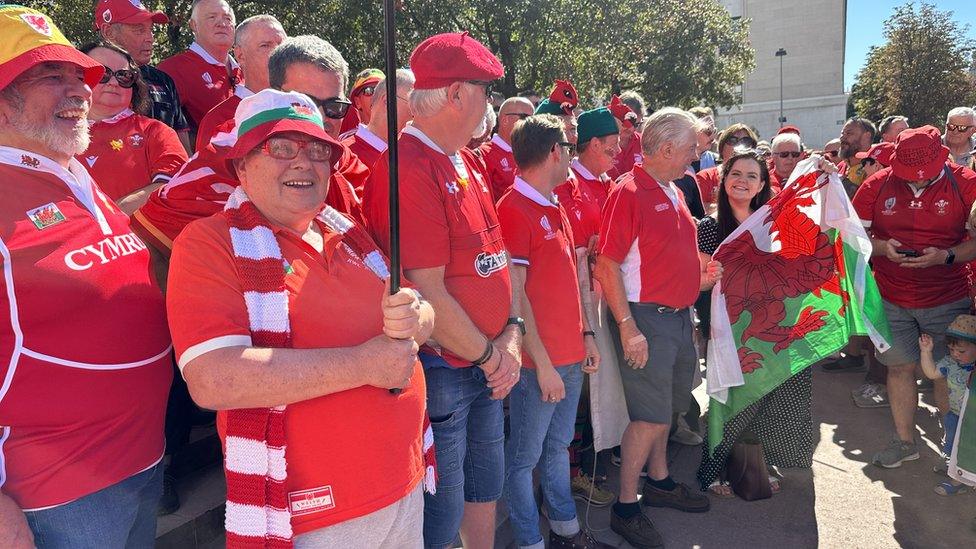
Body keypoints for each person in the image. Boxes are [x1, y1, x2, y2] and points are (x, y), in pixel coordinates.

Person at [167, 88, 435, 547]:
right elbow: (213, 379)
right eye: (281, 148)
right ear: (242, 164)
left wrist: (417, 317)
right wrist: (363, 365)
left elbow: (418, 309)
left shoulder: (348, 233)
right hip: (315, 516)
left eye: (316, 150)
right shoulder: (208, 243)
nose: (303, 162)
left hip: (405, 483)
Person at [0, 7, 171, 547]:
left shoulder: (72, 172)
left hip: (143, 462)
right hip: (54, 495)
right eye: (50, 77)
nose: (79, 91)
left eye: (79, 76)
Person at [362, 32, 521, 549]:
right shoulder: (408, 166)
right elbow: (426, 287)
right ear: (455, 94)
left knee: (483, 485)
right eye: (484, 90)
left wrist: (512, 334)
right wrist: (489, 356)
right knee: (443, 503)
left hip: (482, 360)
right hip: (447, 366)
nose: (490, 103)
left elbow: (496, 259)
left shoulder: (466, 159)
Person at [594, 108, 722, 548]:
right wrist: (629, 328)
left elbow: (660, 255)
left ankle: (661, 481)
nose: (696, 155)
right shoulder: (628, 192)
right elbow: (607, 264)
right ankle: (626, 507)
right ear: (666, 149)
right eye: (691, 148)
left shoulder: (670, 188)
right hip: (646, 318)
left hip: (672, 316)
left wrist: (697, 280)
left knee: (666, 410)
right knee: (649, 418)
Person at [497, 114, 607, 549]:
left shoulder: (554, 205)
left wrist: (586, 336)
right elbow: (515, 296)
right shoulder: (512, 209)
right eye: (570, 146)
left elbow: (573, 277)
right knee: (522, 461)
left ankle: (565, 530)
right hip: (535, 366)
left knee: (557, 449)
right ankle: (528, 541)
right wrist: (541, 364)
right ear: (555, 152)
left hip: (568, 356)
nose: (573, 155)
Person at [851, 126, 976, 469]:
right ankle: (905, 442)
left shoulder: (966, 182)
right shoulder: (875, 186)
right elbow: (850, 236)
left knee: (944, 374)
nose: (919, 182)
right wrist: (880, 247)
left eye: (927, 176)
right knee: (900, 368)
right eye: (910, 177)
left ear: (943, 157)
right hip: (891, 297)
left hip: (948, 297)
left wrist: (946, 255)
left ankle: (951, 449)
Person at [694, 149, 811, 497]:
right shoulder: (710, 227)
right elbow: (699, 280)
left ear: (762, 185)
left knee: (772, 390)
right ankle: (713, 467)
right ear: (723, 179)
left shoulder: (774, 223)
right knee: (729, 395)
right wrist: (711, 277)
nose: (742, 182)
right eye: (736, 174)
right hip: (729, 326)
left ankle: (758, 459)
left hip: (772, 322)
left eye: (751, 176)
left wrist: (819, 174)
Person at [555, 107, 620, 507]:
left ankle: (592, 454)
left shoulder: (606, 182)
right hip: (580, 299)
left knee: (599, 384)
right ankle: (572, 472)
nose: (616, 154)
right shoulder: (567, 184)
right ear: (592, 144)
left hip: (605, 294)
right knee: (580, 389)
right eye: (611, 147)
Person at [77, 42, 187, 213]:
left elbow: (172, 187)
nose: (113, 82)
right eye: (102, 73)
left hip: (135, 238)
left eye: (124, 76)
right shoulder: (48, 134)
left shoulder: (155, 132)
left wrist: (106, 218)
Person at [95, 0, 192, 151]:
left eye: (150, 30)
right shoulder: (84, 79)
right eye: (139, 30)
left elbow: (183, 148)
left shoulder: (164, 81)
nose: (150, 38)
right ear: (108, 32)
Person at [194, 14, 286, 150]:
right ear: (240, 55)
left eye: (283, 45)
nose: (278, 53)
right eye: (265, 45)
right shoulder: (219, 120)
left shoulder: (304, 108)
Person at [158, 0, 242, 130]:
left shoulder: (246, 70)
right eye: (212, 17)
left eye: (228, 18)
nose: (222, 23)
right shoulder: (174, 69)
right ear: (194, 25)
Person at [920, 315, 976, 496]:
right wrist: (926, 352)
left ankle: (963, 477)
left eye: (961, 351)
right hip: (955, 415)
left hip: (972, 420)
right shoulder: (949, 363)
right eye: (952, 350)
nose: (955, 355)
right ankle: (956, 478)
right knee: (954, 446)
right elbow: (931, 373)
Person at [342, 69, 415, 177]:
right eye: (414, 102)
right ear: (388, 101)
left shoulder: (412, 154)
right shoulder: (344, 157)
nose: (420, 110)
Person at [696, 123, 759, 213]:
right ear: (722, 146)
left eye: (746, 141)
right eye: (733, 140)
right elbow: (698, 209)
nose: (738, 145)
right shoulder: (705, 177)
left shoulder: (760, 177)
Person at [480, 96, 534, 200]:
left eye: (533, 119)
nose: (531, 124)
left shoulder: (532, 155)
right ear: (505, 120)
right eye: (525, 118)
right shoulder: (484, 154)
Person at [606, 94, 642, 180]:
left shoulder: (644, 142)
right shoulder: (601, 142)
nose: (631, 128)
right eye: (627, 121)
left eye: (636, 124)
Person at [339, 68, 384, 135]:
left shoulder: (403, 136)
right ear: (358, 102)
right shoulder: (347, 143)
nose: (377, 95)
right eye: (369, 90)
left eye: (382, 89)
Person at [838, 116, 877, 189]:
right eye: (842, 133)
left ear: (867, 136)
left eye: (848, 133)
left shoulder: (877, 167)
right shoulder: (840, 166)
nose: (842, 137)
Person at [689, 107, 718, 173]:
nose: (712, 135)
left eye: (714, 131)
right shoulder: (677, 161)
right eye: (708, 130)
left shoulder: (716, 161)